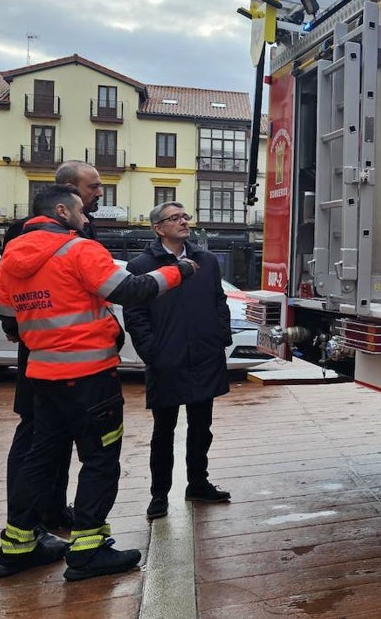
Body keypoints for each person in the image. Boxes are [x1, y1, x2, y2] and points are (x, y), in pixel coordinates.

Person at [0, 185, 197, 581]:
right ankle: (87, 551)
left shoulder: (10, 258)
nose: (89, 220)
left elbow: (10, 321)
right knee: (100, 461)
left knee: (41, 460)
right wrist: (178, 271)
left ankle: (17, 546)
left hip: (43, 378)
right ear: (63, 211)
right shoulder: (79, 249)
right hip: (90, 379)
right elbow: (131, 290)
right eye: (84, 212)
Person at [0, 161, 104, 534]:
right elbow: (10, 289)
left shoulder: (79, 229)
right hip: (43, 355)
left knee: (57, 440)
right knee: (36, 439)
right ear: (67, 194)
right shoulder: (28, 233)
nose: (99, 193)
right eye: (92, 187)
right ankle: (25, 522)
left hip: (65, 356)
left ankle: (53, 511)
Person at [124, 202, 233, 522]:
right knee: (164, 431)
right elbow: (135, 314)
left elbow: (219, 301)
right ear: (158, 228)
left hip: (204, 355)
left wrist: (219, 338)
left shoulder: (207, 261)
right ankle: (159, 495)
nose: (184, 222)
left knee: (203, 427)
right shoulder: (141, 266)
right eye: (175, 218)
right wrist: (152, 352)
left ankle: (198, 484)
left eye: (185, 217)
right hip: (166, 360)